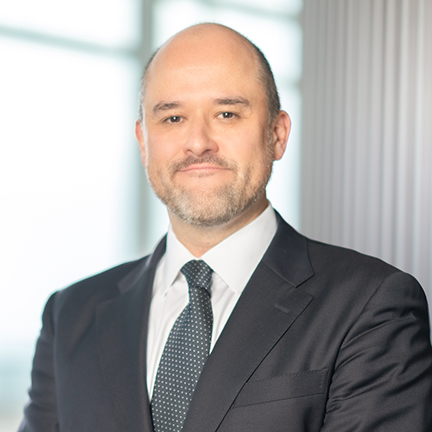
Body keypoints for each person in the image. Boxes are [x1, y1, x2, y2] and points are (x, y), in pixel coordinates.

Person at [19, 23, 432, 432]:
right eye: (173, 118)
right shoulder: (70, 314)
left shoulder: (371, 305)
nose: (198, 142)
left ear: (277, 134)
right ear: (144, 142)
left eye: (227, 114)